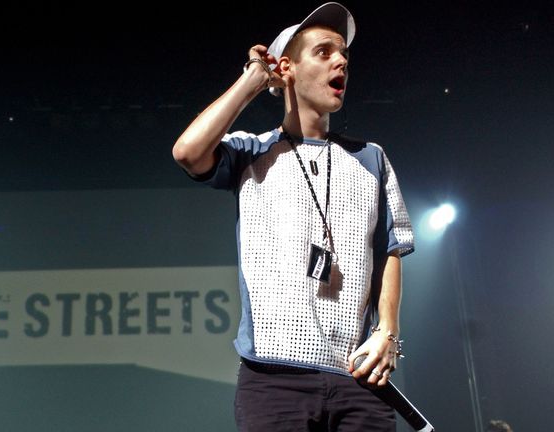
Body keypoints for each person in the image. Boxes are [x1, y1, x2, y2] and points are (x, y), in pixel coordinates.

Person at [172, 3, 414, 431]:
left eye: (344, 56)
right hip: (273, 378)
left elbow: (391, 250)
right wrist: (252, 80)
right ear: (286, 68)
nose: (341, 61)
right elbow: (188, 152)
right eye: (323, 52)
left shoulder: (371, 159)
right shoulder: (252, 151)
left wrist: (388, 332)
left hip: (357, 377)